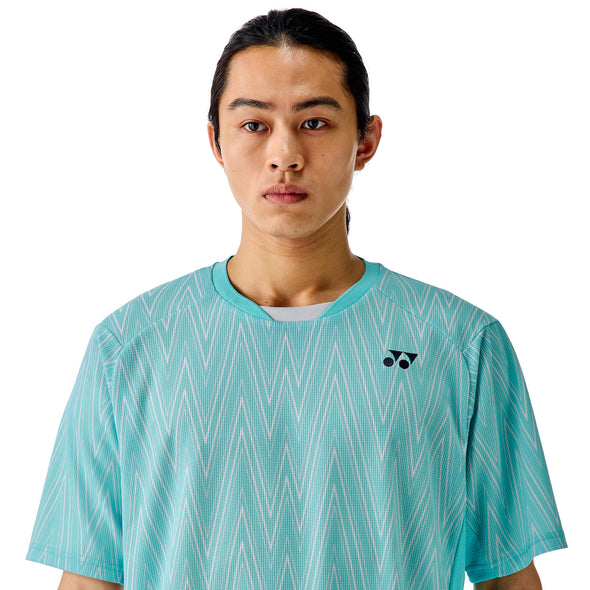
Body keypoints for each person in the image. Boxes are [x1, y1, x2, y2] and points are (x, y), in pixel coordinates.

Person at [26, 8, 566, 590]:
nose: (284, 154)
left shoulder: (461, 344)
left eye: (314, 122)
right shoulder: (128, 346)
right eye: (254, 124)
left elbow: (509, 578)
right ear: (215, 141)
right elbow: (90, 578)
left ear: (366, 140)